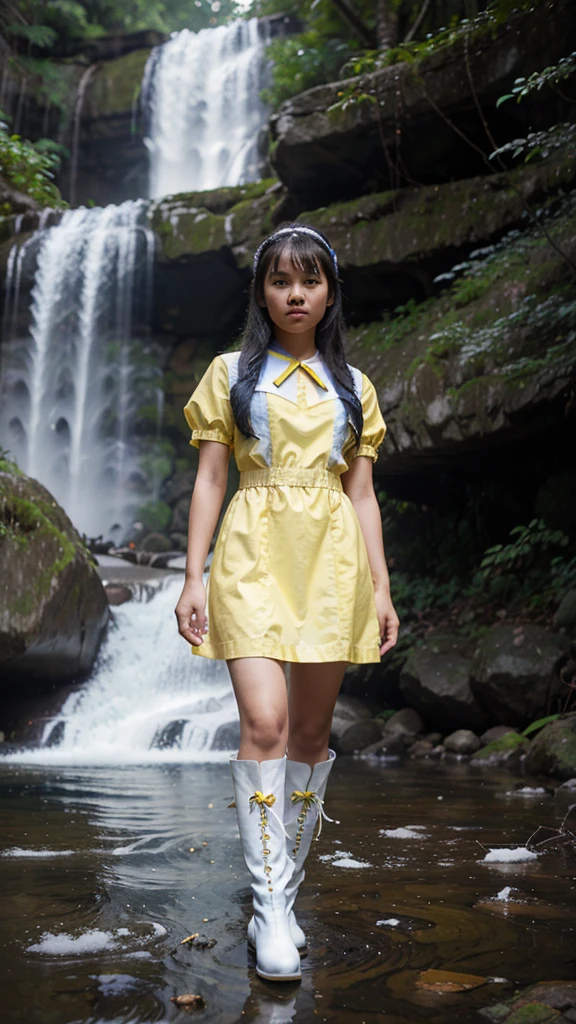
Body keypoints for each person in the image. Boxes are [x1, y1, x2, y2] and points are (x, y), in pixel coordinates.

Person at [174, 223, 399, 982]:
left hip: (332, 565)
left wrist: (383, 586)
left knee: (308, 733)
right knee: (264, 724)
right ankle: (270, 905)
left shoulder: (353, 387)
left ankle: (286, 893)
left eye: (309, 281)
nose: (294, 294)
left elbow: (361, 496)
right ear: (261, 292)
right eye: (279, 280)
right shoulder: (229, 375)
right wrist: (190, 575)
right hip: (250, 553)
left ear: (329, 292)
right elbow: (211, 480)